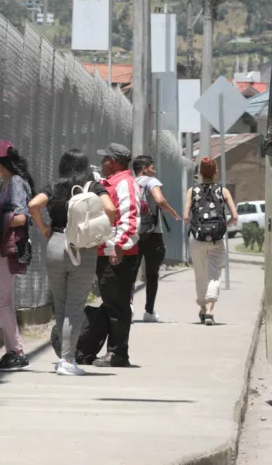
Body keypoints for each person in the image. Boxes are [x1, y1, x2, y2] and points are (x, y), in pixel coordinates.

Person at [29, 149, 117, 376]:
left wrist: (44, 228)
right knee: (75, 307)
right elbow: (110, 209)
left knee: (60, 304)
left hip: (56, 244)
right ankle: (68, 360)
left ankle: (63, 357)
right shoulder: (93, 186)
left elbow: (33, 205)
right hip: (82, 248)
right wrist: (101, 229)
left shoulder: (55, 186)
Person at [75, 143, 141, 368]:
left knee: (118, 305)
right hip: (109, 251)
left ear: (112, 162)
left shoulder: (125, 183)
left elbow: (130, 217)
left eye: (105, 160)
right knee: (113, 303)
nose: (102, 163)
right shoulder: (112, 182)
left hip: (118, 253)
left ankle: (117, 353)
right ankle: (113, 350)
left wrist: (118, 246)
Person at [0, 140, 35, 372]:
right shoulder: (6, 184)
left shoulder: (15, 183)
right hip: (1, 249)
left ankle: (17, 352)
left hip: (8, 249)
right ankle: (12, 351)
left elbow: (23, 217)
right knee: (5, 303)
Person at [183, 157, 237, 326]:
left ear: (199, 172)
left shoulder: (192, 191)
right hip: (217, 240)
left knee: (200, 275)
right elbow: (235, 217)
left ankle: (202, 308)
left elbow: (185, 217)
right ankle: (210, 311)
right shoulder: (223, 191)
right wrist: (224, 226)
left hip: (197, 239)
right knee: (214, 275)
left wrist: (195, 224)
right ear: (216, 172)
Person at [133, 155, 181, 323]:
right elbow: (159, 200)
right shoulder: (151, 181)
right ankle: (149, 311)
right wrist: (173, 212)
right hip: (153, 234)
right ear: (144, 168)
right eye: (152, 168)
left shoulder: (130, 183)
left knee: (131, 272)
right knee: (152, 275)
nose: (154, 171)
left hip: (133, 233)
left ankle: (128, 305)